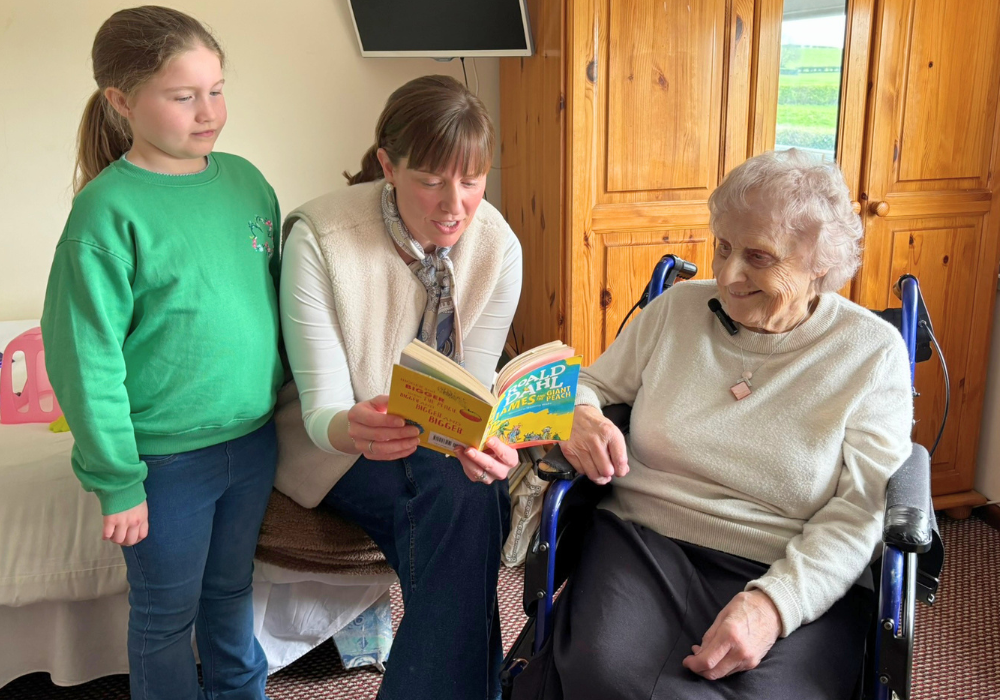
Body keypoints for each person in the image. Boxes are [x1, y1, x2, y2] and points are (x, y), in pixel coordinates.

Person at [512, 149, 914, 700]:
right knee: (606, 677)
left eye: (759, 256)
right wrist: (577, 414)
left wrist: (776, 604)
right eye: (723, 246)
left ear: (819, 261)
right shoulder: (677, 310)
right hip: (644, 542)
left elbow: (861, 511)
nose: (727, 275)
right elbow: (591, 386)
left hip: (792, 561)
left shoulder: (871, 354)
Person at [41, 7, 282, 699]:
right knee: (165, 619)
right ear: (122, 101)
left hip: (253, 444)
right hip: (164, 464)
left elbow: (271, 307)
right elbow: (84, 359)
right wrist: (116, 478)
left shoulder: (246, 183)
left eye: (216, 88)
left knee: (232, 596)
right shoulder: (105, 213)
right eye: (184, 96)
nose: (209, 112)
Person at [278, 75, 523, 700]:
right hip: (339, 448)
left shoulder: (498, 248)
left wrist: (486, 435)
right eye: (432, 180)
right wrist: (353, 426)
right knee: (467, 507)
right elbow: (321, 411)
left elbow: (475, 383)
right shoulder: (321, 238)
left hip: (436, 445)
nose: (455, 205)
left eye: (472, 180)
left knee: (475, 492)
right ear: (387, 165)